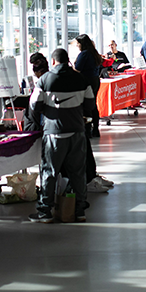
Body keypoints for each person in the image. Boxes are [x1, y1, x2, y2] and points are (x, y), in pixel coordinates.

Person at [28, 48, 96, 223]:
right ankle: (80, 210)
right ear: (68, 60)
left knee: (49, 172)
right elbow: (90, 104)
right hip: (77, 132)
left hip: (54, 134)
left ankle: (45, 211)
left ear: (53, 61)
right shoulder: (81, 79)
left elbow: (34, 105)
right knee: (78, 173)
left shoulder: (44, 80)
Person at [74, 34, 103, 138]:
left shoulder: (84, 54)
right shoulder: (94, 53)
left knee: (86, 106)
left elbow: (77, 69)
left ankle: (88, 130)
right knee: (93, 104)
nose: (77, 45)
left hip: (86, 82)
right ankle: (96, 128)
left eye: (78, 43)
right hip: (95, 80)